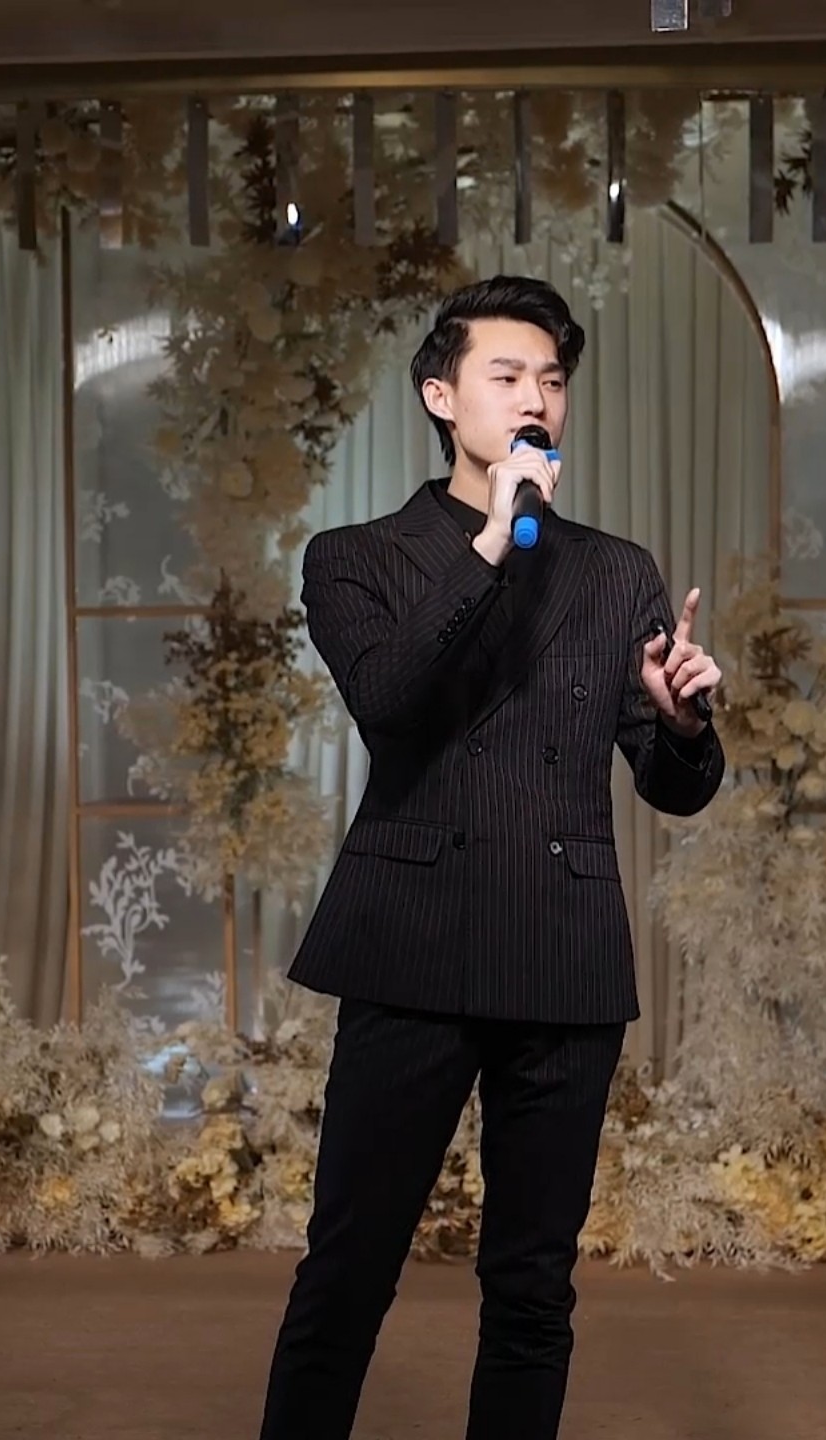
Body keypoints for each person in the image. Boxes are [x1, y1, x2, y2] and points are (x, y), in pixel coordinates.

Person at [258, 275, 725, 1440]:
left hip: (563, 955)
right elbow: (391, 702)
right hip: (411, 947)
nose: (535, 400)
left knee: (532, 1290)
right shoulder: (355, 557)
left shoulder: (615, 571)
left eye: (552, 381)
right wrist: (491, 542)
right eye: (507, 375)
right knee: (348, 1272)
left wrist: (682, 723)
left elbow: (673, 789)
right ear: (441, 395)